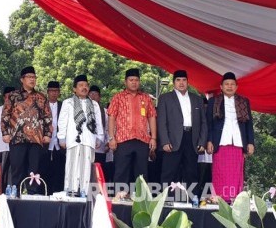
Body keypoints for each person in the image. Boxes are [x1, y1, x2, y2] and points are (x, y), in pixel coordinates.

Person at [1, 66, 52, 194]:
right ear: (22, 79)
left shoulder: (41, 97)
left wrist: (48, 134)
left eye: (34, 77)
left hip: (36, 138)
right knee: (17, 167)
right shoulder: (13, 96)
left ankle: (32, 193)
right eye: (29, 77)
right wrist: (5, 133)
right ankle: (15, 192)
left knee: (34, 168)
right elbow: (5, 115)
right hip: (17, 137)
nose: (32, 80)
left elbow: (47, 116)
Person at [157, 70, 207, 198]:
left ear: (188, 82)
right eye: (178, 80)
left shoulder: (197, 99)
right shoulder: (165, 98)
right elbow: (161, 121)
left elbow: (203, 122)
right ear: (174, 83)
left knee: (192, 172)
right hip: (172, 140)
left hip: (192, 139)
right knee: (169, 172)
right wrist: (164, 141)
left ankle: (193, 201)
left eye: (184, 80)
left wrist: (202, 142)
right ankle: (166, 200)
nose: (181, 83)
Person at [206, 72, 254, 202]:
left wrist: (250, 142)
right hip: (220, 142)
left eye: (232, 84)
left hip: (238, 142)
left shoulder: (244, 101)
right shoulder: (213, 101)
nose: (229, 86)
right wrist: (209, 140)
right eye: (226, 84)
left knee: (236, 172)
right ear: (221, 87)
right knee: (219, 171)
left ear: (236, 87)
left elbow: (249, 124)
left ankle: (235, 199)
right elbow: (208, 123)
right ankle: (219, 199)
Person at [107, 68, 156, 193]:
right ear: (125, 82)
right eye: (131, 80)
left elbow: (151, 117)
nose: (134, 82)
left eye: (136, 80)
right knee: (121, 171)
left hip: (142, 140)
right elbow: (111, 117)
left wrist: (153, 138)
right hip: (123, 140)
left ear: (139, 82)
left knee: (141, 173)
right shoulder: (118, 97)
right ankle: (119, 200)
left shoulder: (146, 98)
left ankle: (141, 200)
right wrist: (111, 138)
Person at [58, 75, 104, 194]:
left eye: (86, 85)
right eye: (81, 85)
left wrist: (99, 137)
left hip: (89, 140)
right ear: (74, 89)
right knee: (72, 166)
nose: (84, 87)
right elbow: (62, 121)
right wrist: (61, 137)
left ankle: (84, 192)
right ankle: (71, 190)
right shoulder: (68, 102)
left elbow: (98, 122)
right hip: (73, 139)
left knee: (87, 167)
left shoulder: (94, 104)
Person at [0, 86, 15, 190]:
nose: (9, 99)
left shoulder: (19, 110)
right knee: (0, 171)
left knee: (12, 172)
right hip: (1, 146)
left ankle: (12, 193)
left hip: (16, 146)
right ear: (3, 97)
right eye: (7, 97)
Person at [44, 81, 66, 194]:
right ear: (47, 92)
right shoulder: (42, 105)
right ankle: (44, 193)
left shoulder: (63, 105)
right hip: (45, 143)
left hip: (60, 144)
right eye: (51, 91)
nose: (54, 93)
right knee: (44, 169)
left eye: (56, 91)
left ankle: (58, 193)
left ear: (59, 92)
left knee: (59, 170)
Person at [89, 85, 111, 182]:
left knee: (99, 172)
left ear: (99, 97)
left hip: (100, 147)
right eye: (91, 94)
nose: (93, 96)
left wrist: (107, 143)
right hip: (87, 146)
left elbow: (108, 128)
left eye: (96, 94)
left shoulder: (105, 112)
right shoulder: (84, 110)